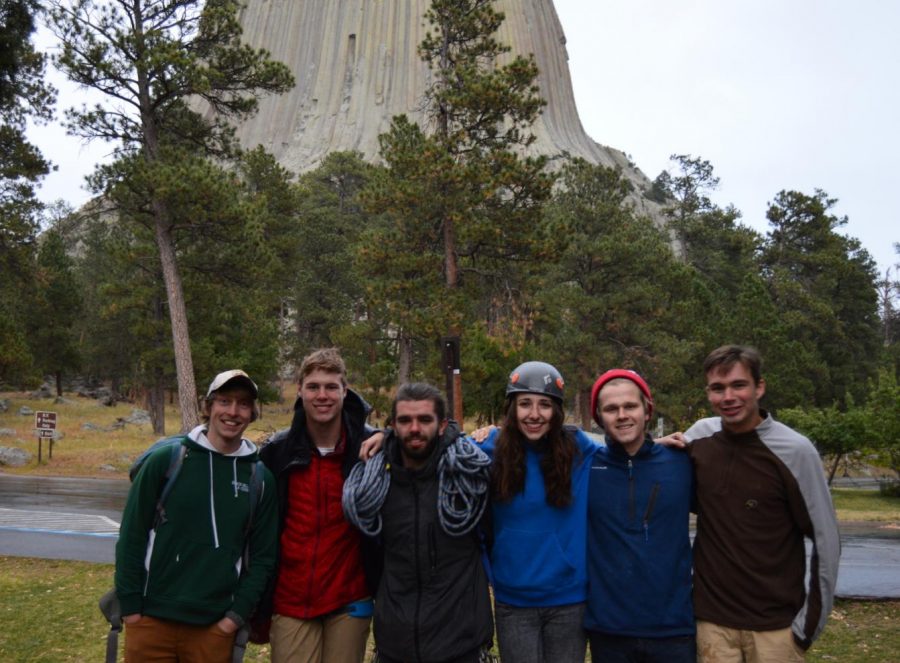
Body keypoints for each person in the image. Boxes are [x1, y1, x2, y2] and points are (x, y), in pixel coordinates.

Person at [685, 345, 840, 662]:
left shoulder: (795, 451)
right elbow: (654, 468)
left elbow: (827, 541)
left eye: (738, 385)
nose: (728, 397)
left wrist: (805, 629)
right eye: (718, 388)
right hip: (711, 628)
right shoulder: (698, 439)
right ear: (708, 392)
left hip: (774, 631)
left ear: (759, 387)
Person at [115, 369, 278, 663]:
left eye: (243, 404)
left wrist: (234, 618)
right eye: (224, 401)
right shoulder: (166, 460)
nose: (233, 412)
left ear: (253, 413)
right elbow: (131, 537)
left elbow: (264, 557)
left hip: (213, 629)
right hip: (151, 621)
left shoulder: (260, 478)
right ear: (208, 406)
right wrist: (131, 610)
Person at [342, 382, 494, 663]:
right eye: (404, 420)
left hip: (461, 645)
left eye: (424, 419)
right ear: (392, 426)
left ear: (441, 425)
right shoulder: (376, 485)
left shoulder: (466, 480)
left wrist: (497, 429)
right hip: (395, 645)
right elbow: (371, 557)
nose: (414, 428)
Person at [258, 348, 379, 663]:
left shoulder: (371, 448)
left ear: (345, 390)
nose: (322, 395)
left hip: (350, 596)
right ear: (299, 390)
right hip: (291, 599)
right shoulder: (277, 452)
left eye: (330, 386)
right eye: (313, 387)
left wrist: (391, 438)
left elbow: (429, 438)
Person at [479, 361, 597, 663]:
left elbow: (624, 450)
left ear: (556, 411)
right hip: (513, 602)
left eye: (544, 405)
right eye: (524, 404)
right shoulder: (490, 448)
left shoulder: (578, 448)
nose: (534, 414)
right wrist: (383, 437)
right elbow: (440, 444)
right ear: (511, 409)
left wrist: (658, 444)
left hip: (569, 601)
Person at [584, 369, 695, 662]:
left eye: (630, 406)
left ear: (648, 410)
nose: (622, 415)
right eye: (611, 409)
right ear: (599, 417)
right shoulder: (583, 468)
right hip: (609, 630)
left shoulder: (683, 462)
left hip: (674, 629)